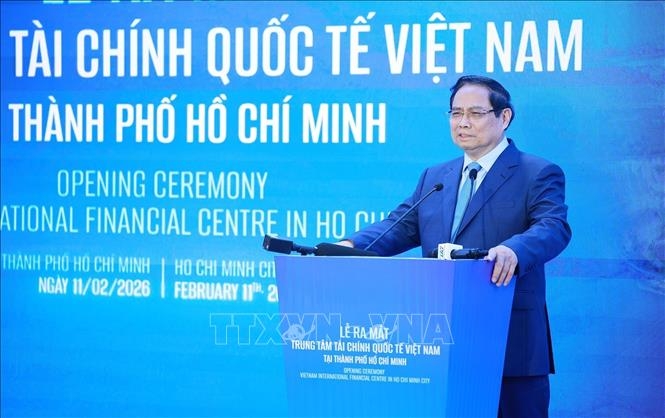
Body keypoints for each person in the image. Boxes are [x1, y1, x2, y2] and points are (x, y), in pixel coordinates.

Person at [337, 75, 572, 418]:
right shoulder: (435, 177)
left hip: (508, 343)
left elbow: (553, 226)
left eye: (475, 113)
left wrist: (514, 250)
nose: (463, 122)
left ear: (504, 117)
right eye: (456, 113)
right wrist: (350, 246)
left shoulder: (536, 172)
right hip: (441, 344)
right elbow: (399, 226)